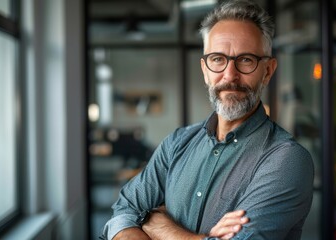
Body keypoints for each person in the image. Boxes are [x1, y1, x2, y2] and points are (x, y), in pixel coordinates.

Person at [101, 0, 314, 239]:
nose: (230, 75)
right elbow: (124, 211)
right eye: (218, 59)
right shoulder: (177, 143)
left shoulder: (286, 159)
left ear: (268, 71)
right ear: (205, 70)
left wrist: (157, 225)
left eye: (246, 60)